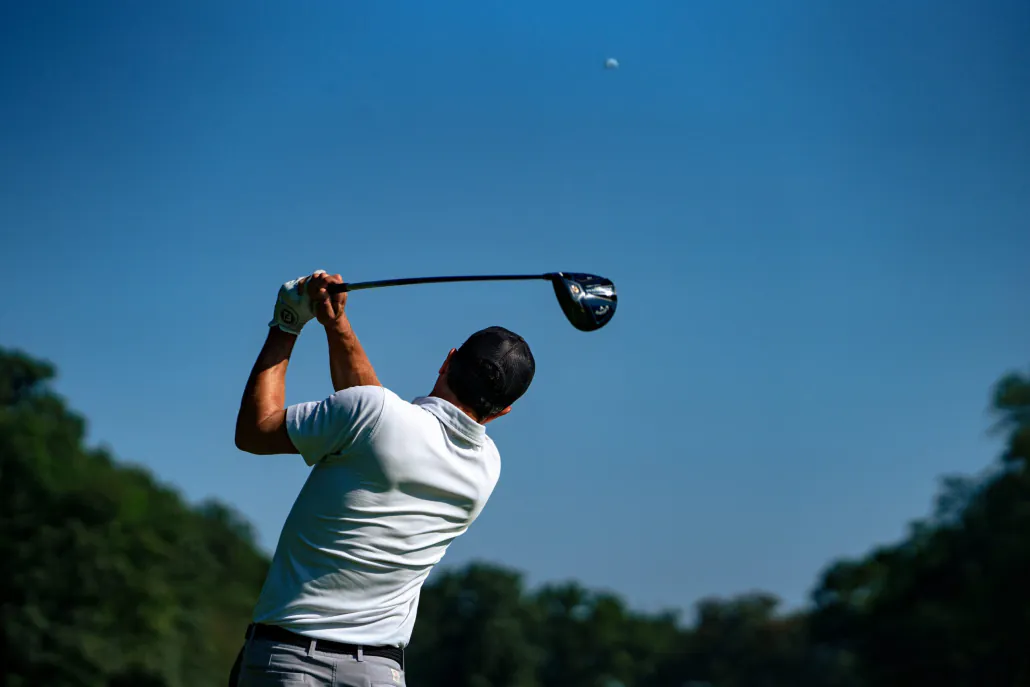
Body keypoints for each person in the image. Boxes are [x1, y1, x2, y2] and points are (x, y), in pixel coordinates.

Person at [227, 271, 536, 687]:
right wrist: (336, 324)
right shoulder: (488, 468)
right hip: (379, 673)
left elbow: (256, 430)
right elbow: (376, 417)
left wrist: (288, 322)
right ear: (503, 412)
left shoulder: (373, 417)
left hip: (288, 658)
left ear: (447, 360)